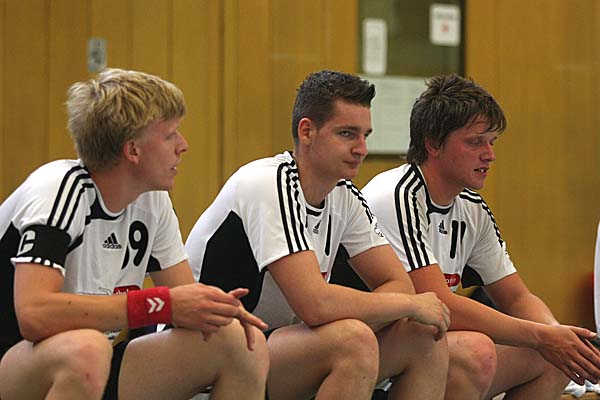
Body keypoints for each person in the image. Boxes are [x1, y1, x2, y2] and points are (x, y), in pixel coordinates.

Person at [0, 68, 269, 400]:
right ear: (133, 150)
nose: (183, 145)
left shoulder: (151, 200)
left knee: (238, 340)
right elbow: (34, 314)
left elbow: (183, 303)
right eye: (170, 135)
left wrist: (213, 309)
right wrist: (156, 305)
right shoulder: (57, 189)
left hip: (91, 361)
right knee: (88, 348)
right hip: (18, 361)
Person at [185, 70, 451, 400]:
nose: (361, 148)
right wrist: (407, 305)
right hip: (209, 352)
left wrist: (401, 304)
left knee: (423, 335)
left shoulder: (344, 195)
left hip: (275, 346)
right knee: (352, 340)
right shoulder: (266, 183)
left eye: (365, 135)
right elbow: (314, 305)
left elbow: (398, 283)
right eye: (347, 134)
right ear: (307, 131)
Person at [360, 73, 600, 399]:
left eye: (492, 142)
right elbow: (439, 302)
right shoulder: (395, 195)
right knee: (477, 352)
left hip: (428, 345)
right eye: (475, 142)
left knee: (558, 359)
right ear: (433, 143)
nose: (490, 154)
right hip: (378, 356)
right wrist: (542, 336)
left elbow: (516, 298)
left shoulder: (471, 206)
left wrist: (559, 336)